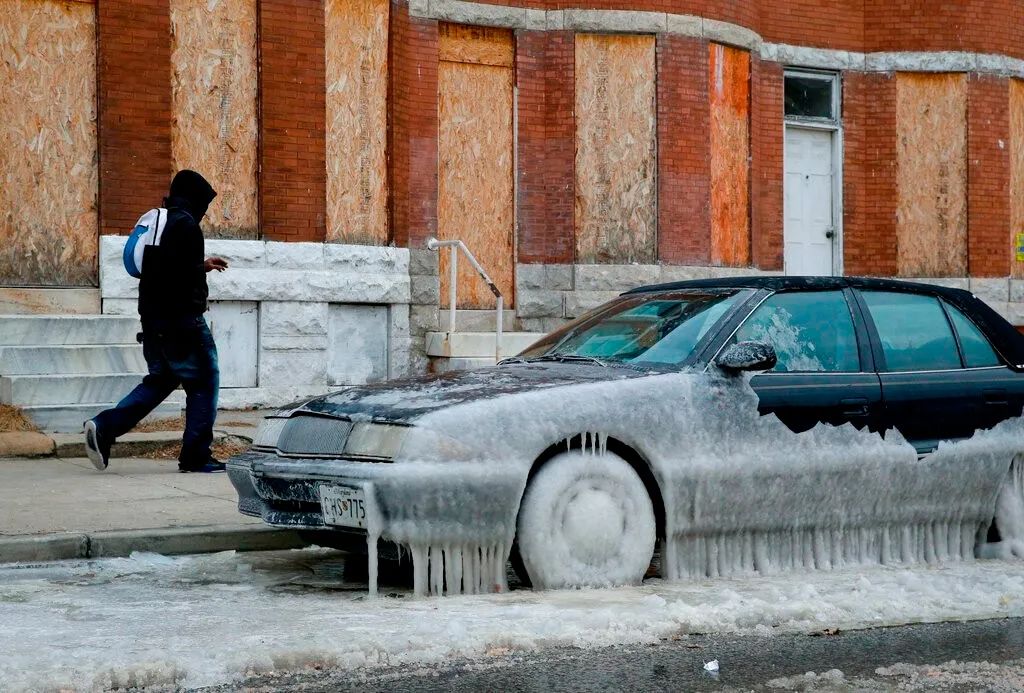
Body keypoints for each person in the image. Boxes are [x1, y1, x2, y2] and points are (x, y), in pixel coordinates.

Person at [85, 170, 229, 473]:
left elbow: (162, 270)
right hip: (183, 323)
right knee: (204, 381)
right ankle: (196, 456)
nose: (204, 211)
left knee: (161, 381)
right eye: (204, 203)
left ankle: (104, 427)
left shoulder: (161, 223)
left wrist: (199, 266)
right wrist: (196, 271)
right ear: (194, 200)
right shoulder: (187, 225)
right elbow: (176, 277)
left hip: (153, 321)